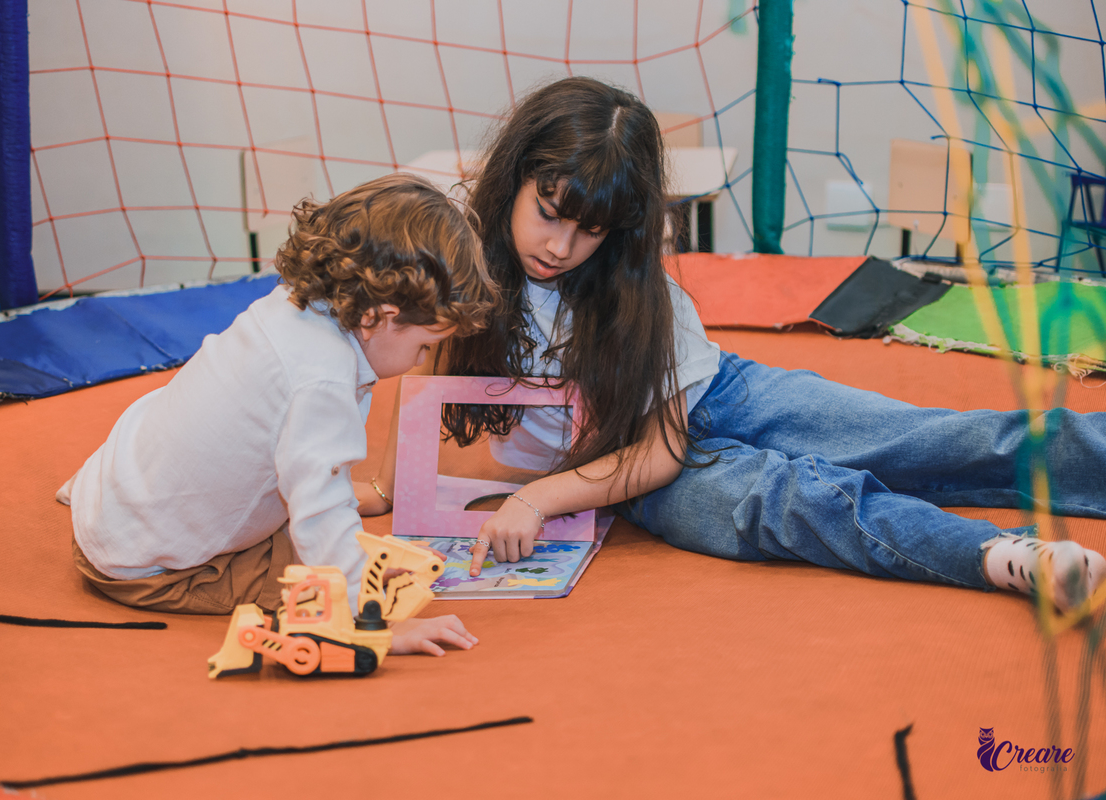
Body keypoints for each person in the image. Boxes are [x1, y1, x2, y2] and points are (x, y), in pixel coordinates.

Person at [358, 77, 1106, 615]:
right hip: (622, 474)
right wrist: (394, 484)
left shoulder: (643, 297)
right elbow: (426, 369)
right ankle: (997, 558)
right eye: (548, 213)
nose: (561, 245)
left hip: (700, 409)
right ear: (515, 181)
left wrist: (535, 497)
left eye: (590, 230)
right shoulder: (467, 264)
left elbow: (663, 444)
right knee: (788, 507)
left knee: (926, 440)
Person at [60, 174, 496, 656]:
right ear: (379, 317)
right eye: (424, 346)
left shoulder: (294, 305)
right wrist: (374, 622)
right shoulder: (321, 380)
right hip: (147, 567)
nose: (420, 361)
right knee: (303, 580)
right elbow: (321, 509)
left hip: (110, 496)